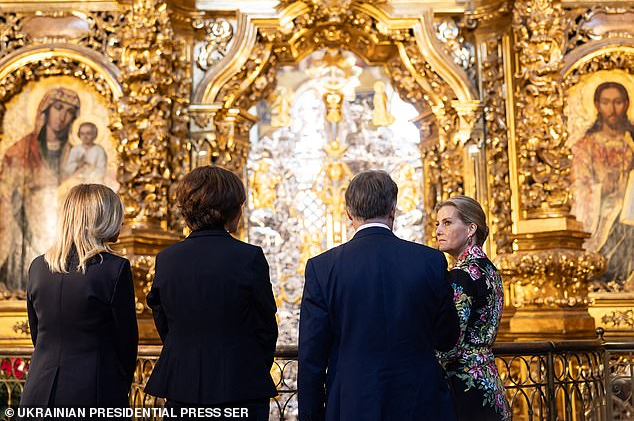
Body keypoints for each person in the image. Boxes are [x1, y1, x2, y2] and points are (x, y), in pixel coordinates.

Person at [298, 170, 460, 421]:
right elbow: (447, 337)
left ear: (349, 213)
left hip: (353, 403)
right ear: (393, 209)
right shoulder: (430, 261)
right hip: (421, 401)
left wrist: (310, 416)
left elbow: (312, 357)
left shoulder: (322, 267)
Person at [144, 166, 278, 420]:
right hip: (241, 384)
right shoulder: (249, 257)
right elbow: (265, 326)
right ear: (231, 209)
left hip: (183, 385)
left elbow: (163, 321)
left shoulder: (167, 259)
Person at [19, 184, 138, 410]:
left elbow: (37, 333)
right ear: (103, 218)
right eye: (117, 213)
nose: (122, 221)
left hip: (39, 390)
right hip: (94, 391)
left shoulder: (38, 267)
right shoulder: (114, 268)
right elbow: (126, 344)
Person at [435, 196, 510, 421]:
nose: (438, 230)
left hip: (464, 391)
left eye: (447, 223)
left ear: (471, 229)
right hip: (490, 382)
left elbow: (451, 345)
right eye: (437, 224)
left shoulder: (461, 275)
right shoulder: (490, 271)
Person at [0, 87, 80, 293]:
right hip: (22, 225)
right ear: (45, 111)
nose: (62, 117)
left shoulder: (75, 154)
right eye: (58, 108)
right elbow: (6, 190)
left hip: (62, 226)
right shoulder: (19, 151)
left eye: (69, 111)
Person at [571, 81, 634, 288]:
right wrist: (601, 187)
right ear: (597, 105)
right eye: (607, 102)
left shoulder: (630, 142)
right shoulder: (587, 145)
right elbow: (579, 185)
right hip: (601, 211)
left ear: (626, 104)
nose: (612, 109)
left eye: (617, 102)